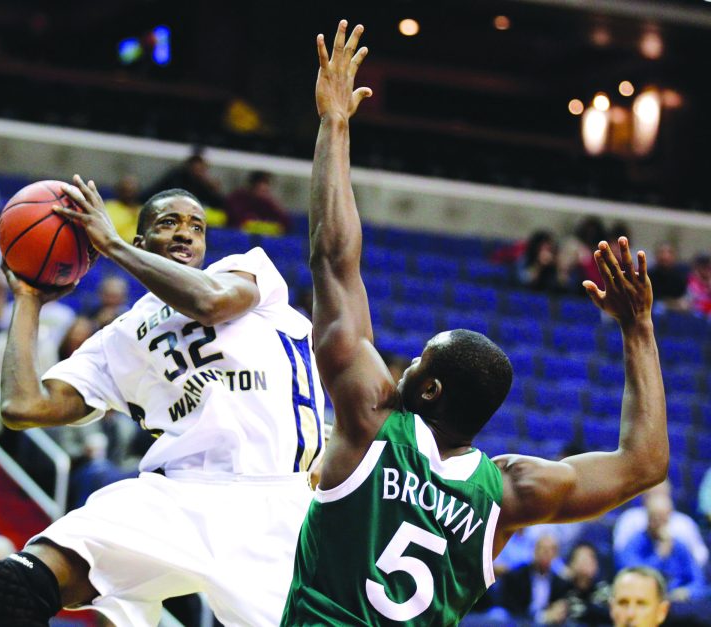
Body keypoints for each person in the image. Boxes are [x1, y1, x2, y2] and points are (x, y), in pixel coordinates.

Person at [280, 21, 667, 626]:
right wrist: (638, 329)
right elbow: (644, 463)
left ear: (429, 389)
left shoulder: (371, 421)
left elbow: (332, 258)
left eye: (419, 362)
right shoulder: (511, 492)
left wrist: (334, 124)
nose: (403, 366)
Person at [0, 176, 325, 627]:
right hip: (175, 495)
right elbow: (21, 407)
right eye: (170, 222)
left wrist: (112, 246)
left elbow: (210, 302)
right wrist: (27, 299)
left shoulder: (247, 269)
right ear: (143, 239)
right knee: (21, 579)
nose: (185, 232)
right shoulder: (120, 337)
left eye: (196, 226)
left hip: (276, 501)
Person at [499, 534, 568, 623]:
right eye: (542, 548)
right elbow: (512, 608)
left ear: (556, 555)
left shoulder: (560, 583)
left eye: (550, 550)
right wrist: (540, 617)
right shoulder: (516, 576)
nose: (546, 553)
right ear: (535, 550)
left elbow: (558, 608)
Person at [225, 171, 292, 235]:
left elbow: (285, 223)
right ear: (253, 185)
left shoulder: (267, 202)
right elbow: (235, 220)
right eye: (263, 183)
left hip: (262, 239)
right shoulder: (238, 198)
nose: (266, 188)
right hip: (237, 236)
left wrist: (273, 203)